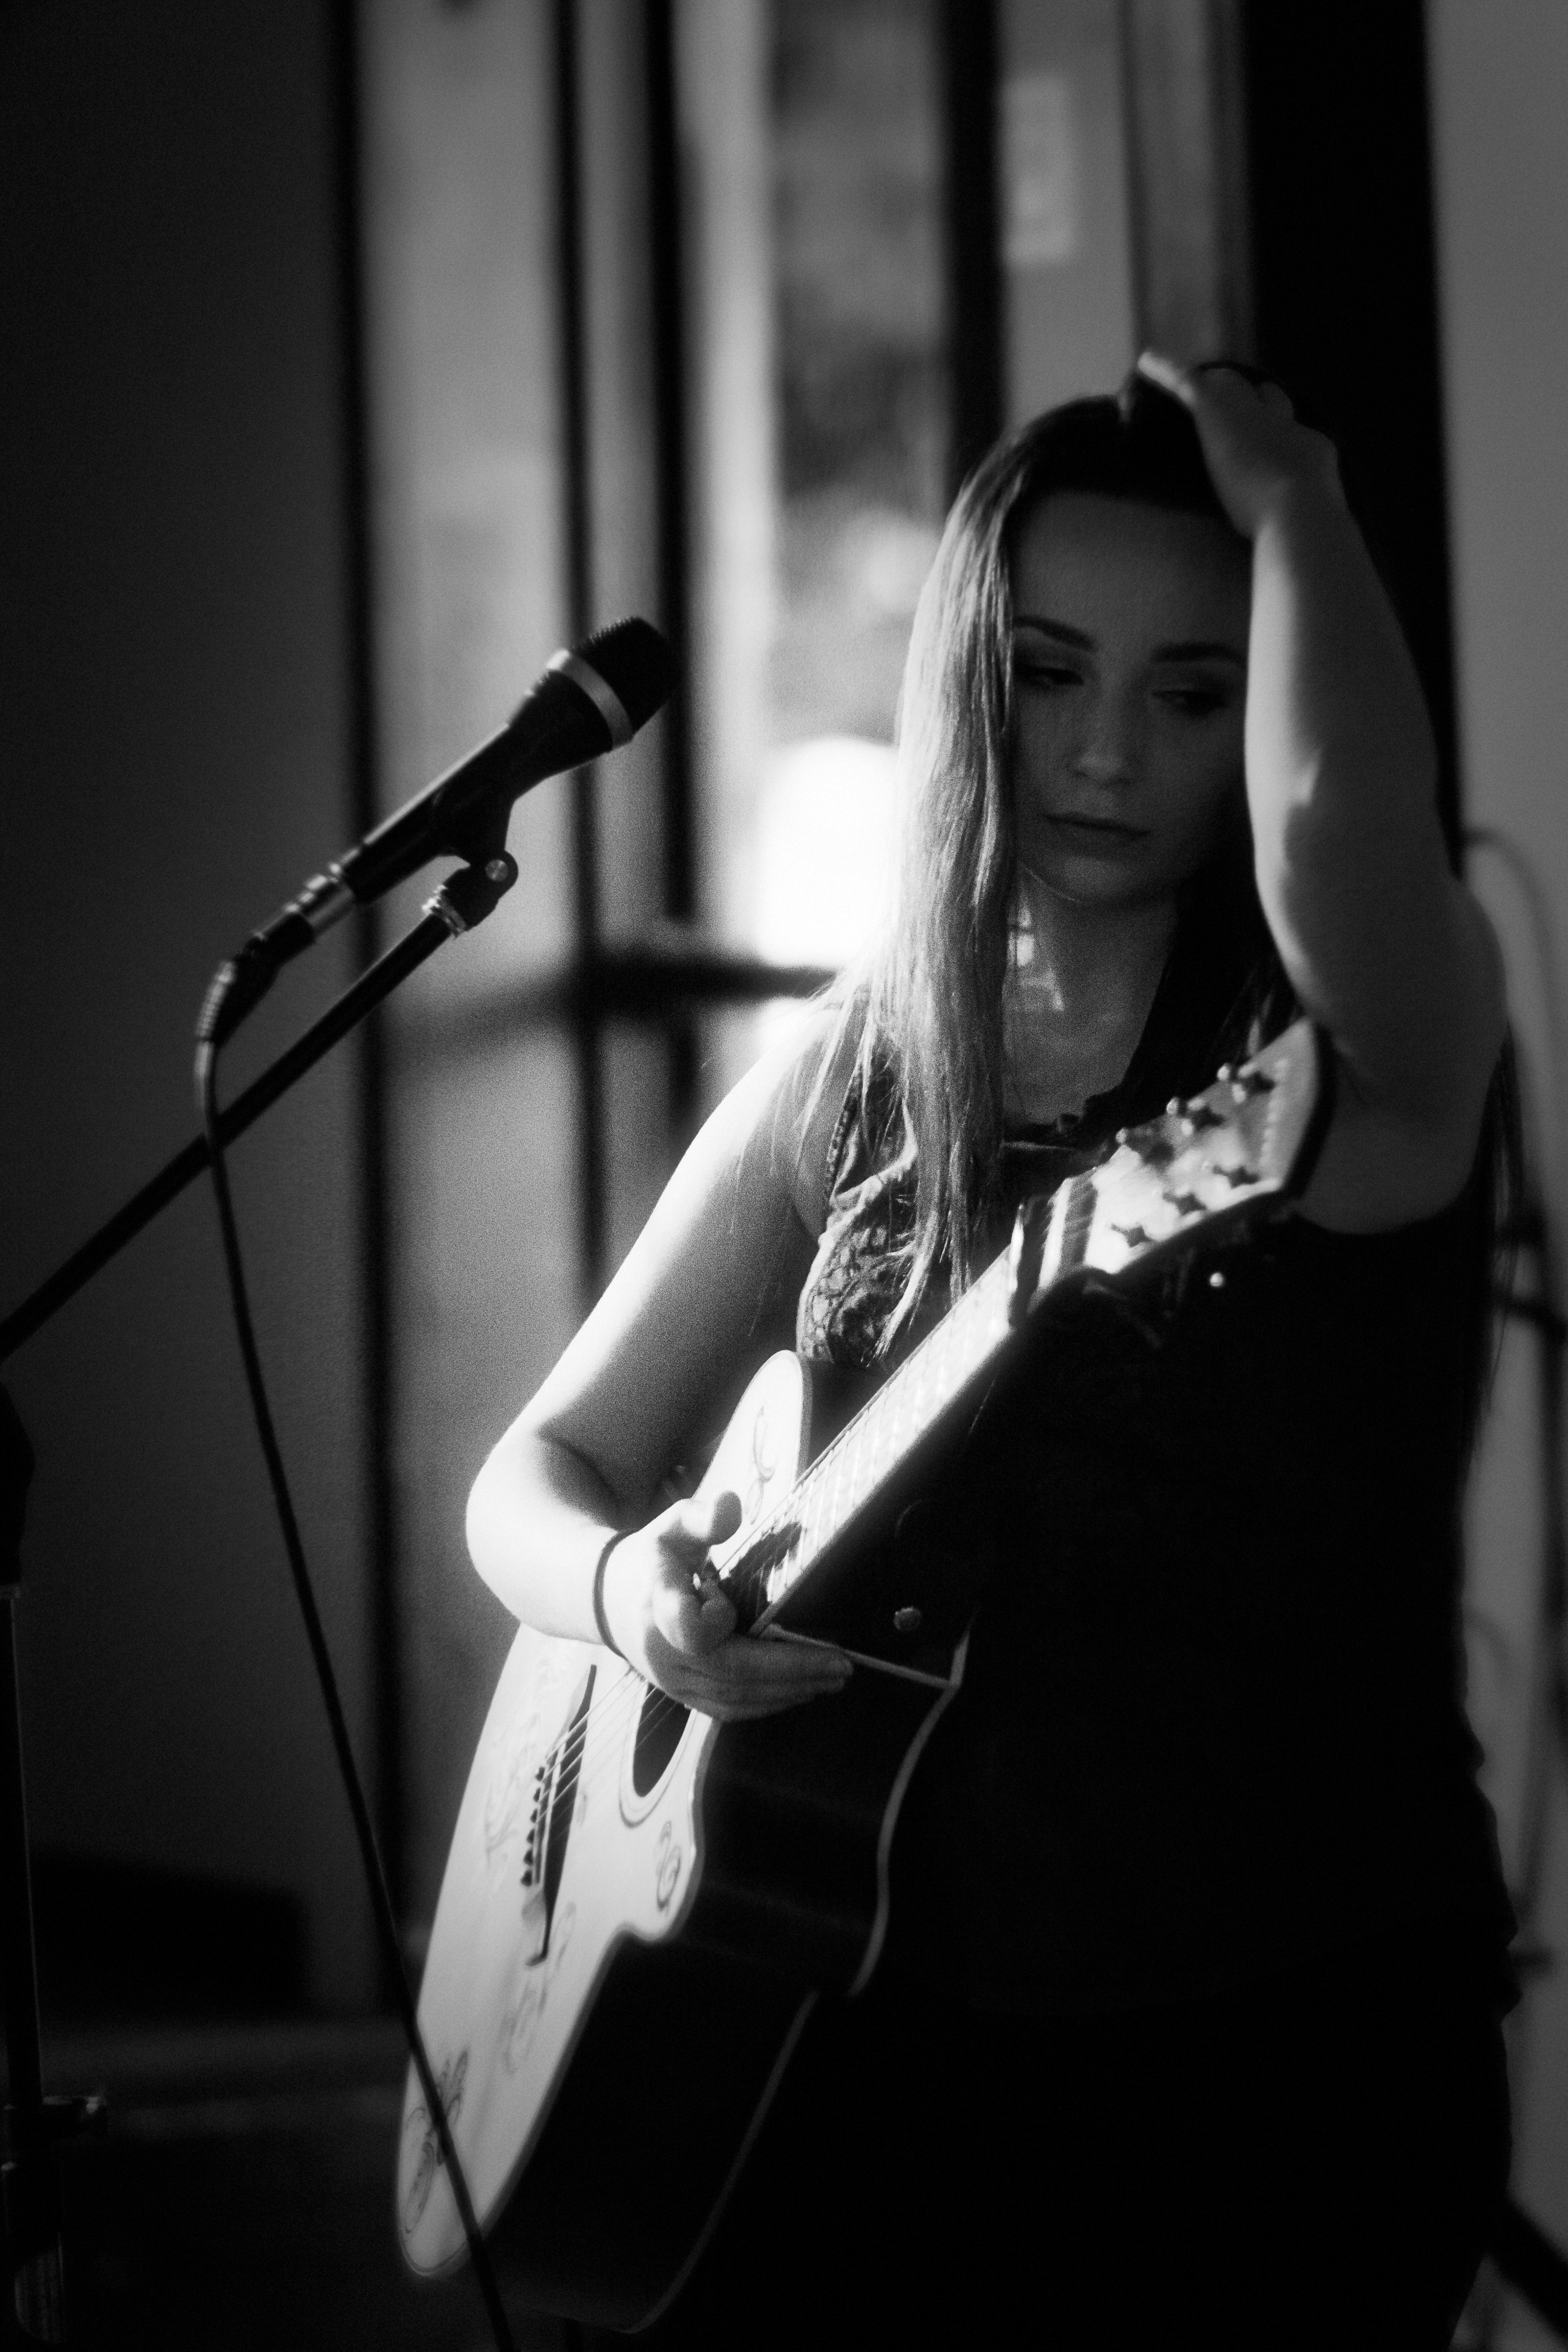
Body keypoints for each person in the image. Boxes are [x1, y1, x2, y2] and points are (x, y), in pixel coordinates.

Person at [465, 356, 1517, 2347]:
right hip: (854, 2033)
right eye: (1046, 673)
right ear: (967, 682)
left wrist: (1297, 503)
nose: (1105, 749)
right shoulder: (855, 1075)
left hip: (1277, 2066)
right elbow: (537, 1478)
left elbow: (1333, 840)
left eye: (1193, 693)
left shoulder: (1350, 1076)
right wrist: (628, 1599)